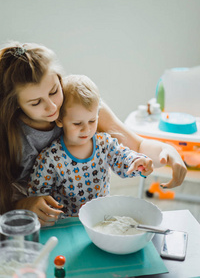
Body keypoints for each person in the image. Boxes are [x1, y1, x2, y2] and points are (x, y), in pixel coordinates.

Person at [0, 41, 187, 226]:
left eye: (54, 91)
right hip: (26, 220)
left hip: (92, 217)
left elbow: (136, 146)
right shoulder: (10, 132)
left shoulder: (79, 104)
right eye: (35, 103)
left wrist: (167, 150)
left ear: (59, 79)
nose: (52, 106)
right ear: (15, 104)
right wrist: (22, 204)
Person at [28, 75, 154, 219]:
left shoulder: (104, 144)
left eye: (92, 121)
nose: (86, 129)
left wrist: (136, 162)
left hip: (101, 218)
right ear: (60, 120)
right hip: (67, 223)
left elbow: (122, 158)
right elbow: (38, 194)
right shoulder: (50, 157)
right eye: (77, 123)